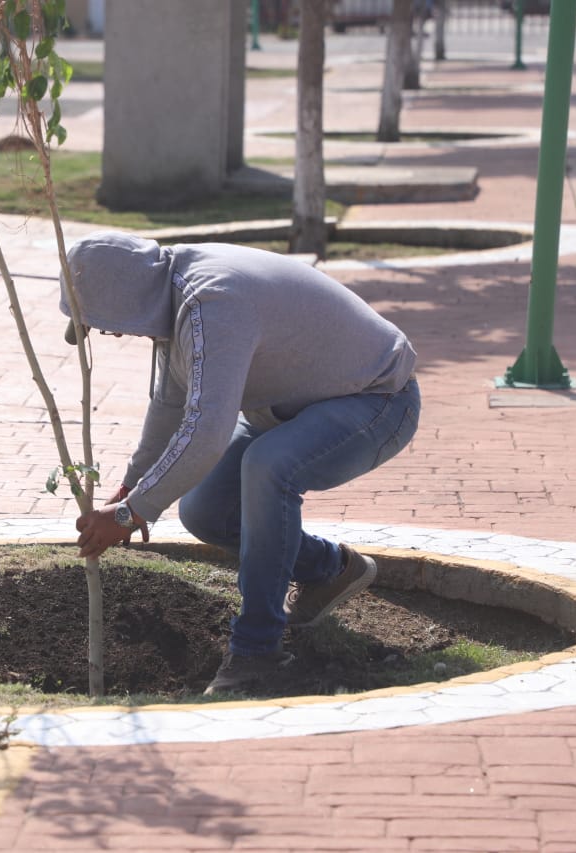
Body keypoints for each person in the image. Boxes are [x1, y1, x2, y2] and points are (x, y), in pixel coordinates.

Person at [61, 231, 420, 696]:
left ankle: (257, 652)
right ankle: (330, 569)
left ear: (129, 300)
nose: (113, 334)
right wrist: (133, 487)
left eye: (107, 323)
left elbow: (207, 430)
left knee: (269, 468)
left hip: (376, 399)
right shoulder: (171, 295)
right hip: (284, 407)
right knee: (204, 511)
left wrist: (134, 514)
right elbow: (171, 405)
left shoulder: (213, 302)